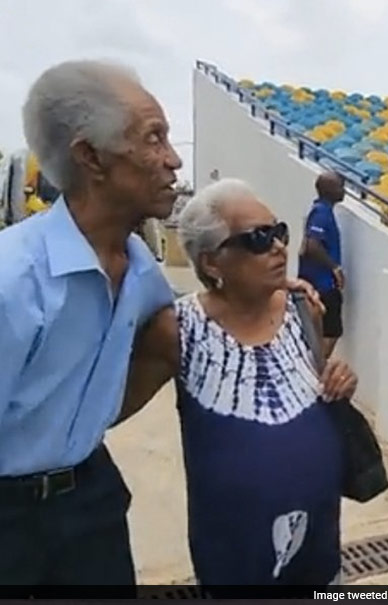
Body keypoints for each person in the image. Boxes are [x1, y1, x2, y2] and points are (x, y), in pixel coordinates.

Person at [120, 178, 357, 588]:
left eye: (279, 231)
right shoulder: (176, 330)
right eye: (258, 238)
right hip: (234, 556)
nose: (279, 246)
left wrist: (339, 380)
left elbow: (316, 385)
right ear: (212, 262)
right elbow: (111, 407)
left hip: (319, 542)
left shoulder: (302, 308)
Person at [0, 60, 181, 586]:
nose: (172, 161)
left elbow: (159, 349)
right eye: (154, 139)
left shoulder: (144, 274)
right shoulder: (13, 281)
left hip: (91, 501)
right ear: (90, 157)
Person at [299, 171, 346, 359]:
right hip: (321, 284)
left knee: (326, 332)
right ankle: (313, 371)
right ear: (329, 189)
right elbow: (312, 245)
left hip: (322, 283)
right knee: (329, 332)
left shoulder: (324, 211)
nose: (344, 190)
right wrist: (335, 268)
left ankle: (313, 369)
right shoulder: (321, 213)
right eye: (340, 186)